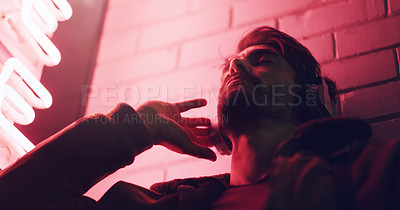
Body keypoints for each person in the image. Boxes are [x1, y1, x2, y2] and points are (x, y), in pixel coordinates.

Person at [0, 26, 399, 210]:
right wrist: (134, 127)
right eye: (231, 65)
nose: (236, 67)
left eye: (261, 60)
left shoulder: (375, 171)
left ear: (309, 94)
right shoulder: (156, 203)